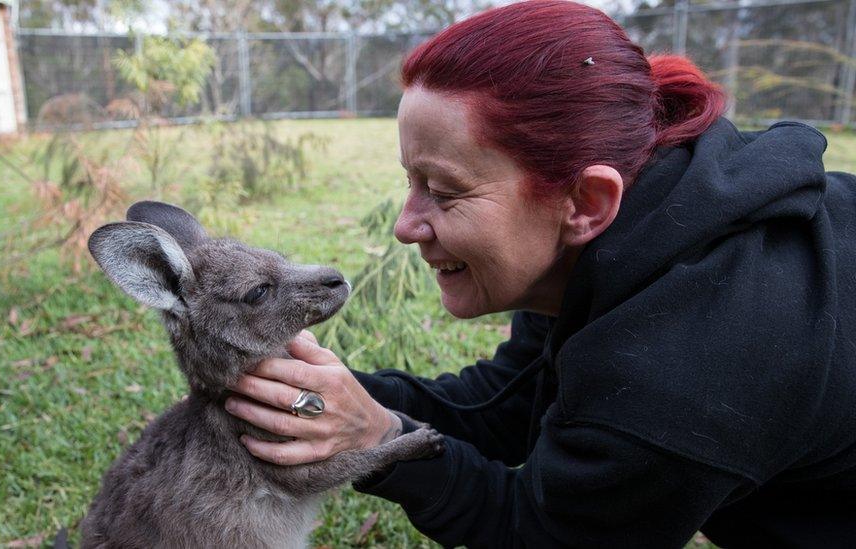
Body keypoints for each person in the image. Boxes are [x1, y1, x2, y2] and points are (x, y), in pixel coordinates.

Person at [223, 1, 856, 547]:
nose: (406, 225)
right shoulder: (626, 228)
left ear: (583, 203)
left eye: (444, 191)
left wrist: (382, 440)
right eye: (411, 182)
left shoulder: (683, 367)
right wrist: (323, 392)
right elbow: (509, 404)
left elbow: (544, 534)